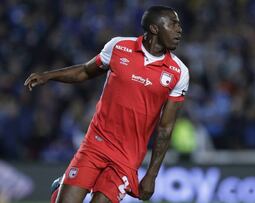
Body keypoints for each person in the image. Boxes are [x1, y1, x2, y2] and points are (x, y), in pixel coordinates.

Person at [24, 5, 189, 203]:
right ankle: (61, 187)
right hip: (96, 143)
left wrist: (151, 175)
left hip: (127, 157)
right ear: (154, 28)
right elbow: (85, 71)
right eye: (173, 24)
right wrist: (48, 76)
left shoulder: (179, 72)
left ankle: (63, 185)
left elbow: (165, 128)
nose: (179, 29)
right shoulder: (119, 47)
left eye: (179, 24)